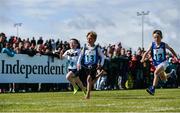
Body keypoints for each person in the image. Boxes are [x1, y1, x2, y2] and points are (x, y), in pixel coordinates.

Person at [141, 30, 178, 95]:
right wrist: (143, 59)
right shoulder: (152, 44)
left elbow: (171, 49)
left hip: (164, 63)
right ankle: (172, 73)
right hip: (156, 64)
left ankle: (152, 89)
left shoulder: (164, 44)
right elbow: (146, 53)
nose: (156, 39)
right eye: (155, 37)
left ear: (161, 37)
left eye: (158, 37)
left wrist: (176, 57)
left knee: (156, 73)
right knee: (163, 78)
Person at [76, 31, 105, 99]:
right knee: (88, 81)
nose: (89, 40)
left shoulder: (97, 48)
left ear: (94, 40)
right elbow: (81, 55)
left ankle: (88, 95)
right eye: (88, 38)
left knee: (89, 79)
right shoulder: (85, 47)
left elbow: (103, 57)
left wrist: (101, 64)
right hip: (85, 66)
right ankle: (99, 75)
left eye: (90, 39)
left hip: (93, 66)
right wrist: (78, 63)